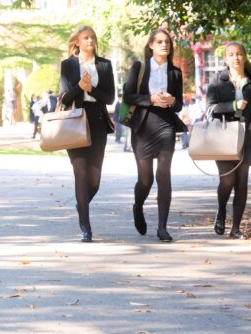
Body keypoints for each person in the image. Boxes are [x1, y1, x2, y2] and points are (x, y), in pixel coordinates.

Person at [123, 28, 187, 242]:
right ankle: (138, 206)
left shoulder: (175, 72)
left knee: (163, 176)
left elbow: (178, 104)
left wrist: (171, 101)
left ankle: (162, 227)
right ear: (151, 45)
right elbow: (129, 95)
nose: (164, 45)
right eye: (159, 41)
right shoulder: (139, 67)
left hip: (165, 126)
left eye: (167, 42)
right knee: (145, 179)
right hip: (142, 127)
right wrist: (150, 99)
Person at [58, 25, 115, 242]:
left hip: (97, 121)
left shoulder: (105, 65)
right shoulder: (68, 65)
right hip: (75, 121)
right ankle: (86, 227)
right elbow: (63, 98)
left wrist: (91, 89)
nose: (90, 41)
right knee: (80, 174)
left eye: (92, 37)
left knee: (94, 180)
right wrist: (80, 87)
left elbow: (109, 98)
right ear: (77, 43)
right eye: (85, 38)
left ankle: (81, 203)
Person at [205, 42, 251, 239]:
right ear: (225, 59)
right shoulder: (217, 80)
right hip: (223, 136)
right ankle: (221, 211)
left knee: (241, 183)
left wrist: (250, 125)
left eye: (239, 54)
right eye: (231, 54)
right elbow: (210, 108)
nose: (236, 57)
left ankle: (236, 228)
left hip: (245, 138)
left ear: (244, 57)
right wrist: (233, 105)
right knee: (227, 180)